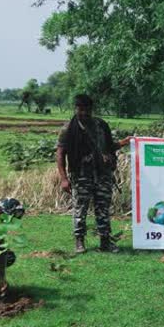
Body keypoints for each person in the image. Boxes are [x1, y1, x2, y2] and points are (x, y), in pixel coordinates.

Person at [56, 94, 130, 253]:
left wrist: (123, 143)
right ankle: (79, 242)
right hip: (81, 174)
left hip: (103, 174)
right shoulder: (68, 128)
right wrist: (63, 178)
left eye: (87, 109)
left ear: (91, 109)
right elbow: (60, 154)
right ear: (76, 108)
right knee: (80, 209)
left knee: (103, 208)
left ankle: (105, 241)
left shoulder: (101, 125)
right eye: (80, 109)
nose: (83, 113)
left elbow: (109, 146)